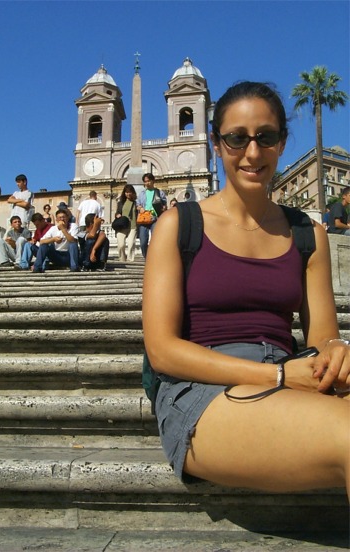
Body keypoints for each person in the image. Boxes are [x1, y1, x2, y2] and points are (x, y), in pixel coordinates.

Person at [142, 81, 350, 496]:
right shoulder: (178, 224)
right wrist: (276, 374)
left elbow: (321, 337)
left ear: (281, 144)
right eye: (236, 138)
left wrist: (335, 350)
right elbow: (162, 349)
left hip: (289, 377)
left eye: (265, 137)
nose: (252, 153)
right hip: (201, 390)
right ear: (217, 145)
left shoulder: (309, 233)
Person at [136, 173, 167, 258]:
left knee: (155, 240)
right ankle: (146, 257)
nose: (147, 183)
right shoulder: (142, 194)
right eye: (145, 181)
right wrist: (140, 208)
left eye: (149, 181)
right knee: (143, 241)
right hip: (144, 218)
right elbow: (137, 204)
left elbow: (164, 204)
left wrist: (163, 208)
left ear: (153, 181)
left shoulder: (159, 193)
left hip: (155, 218)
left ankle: (154, 258)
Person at [114, 184, 138, 262]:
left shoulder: (136, 203)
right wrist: (117, 214)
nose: (128, 194)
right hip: (122, 226)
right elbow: (117, 212)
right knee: (121, 245)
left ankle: (130, 260)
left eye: (129, 192)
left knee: (131, 244)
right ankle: (122, 259)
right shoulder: (120, 203)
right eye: (126, 192)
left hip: (132, 226)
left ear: (132, 192)